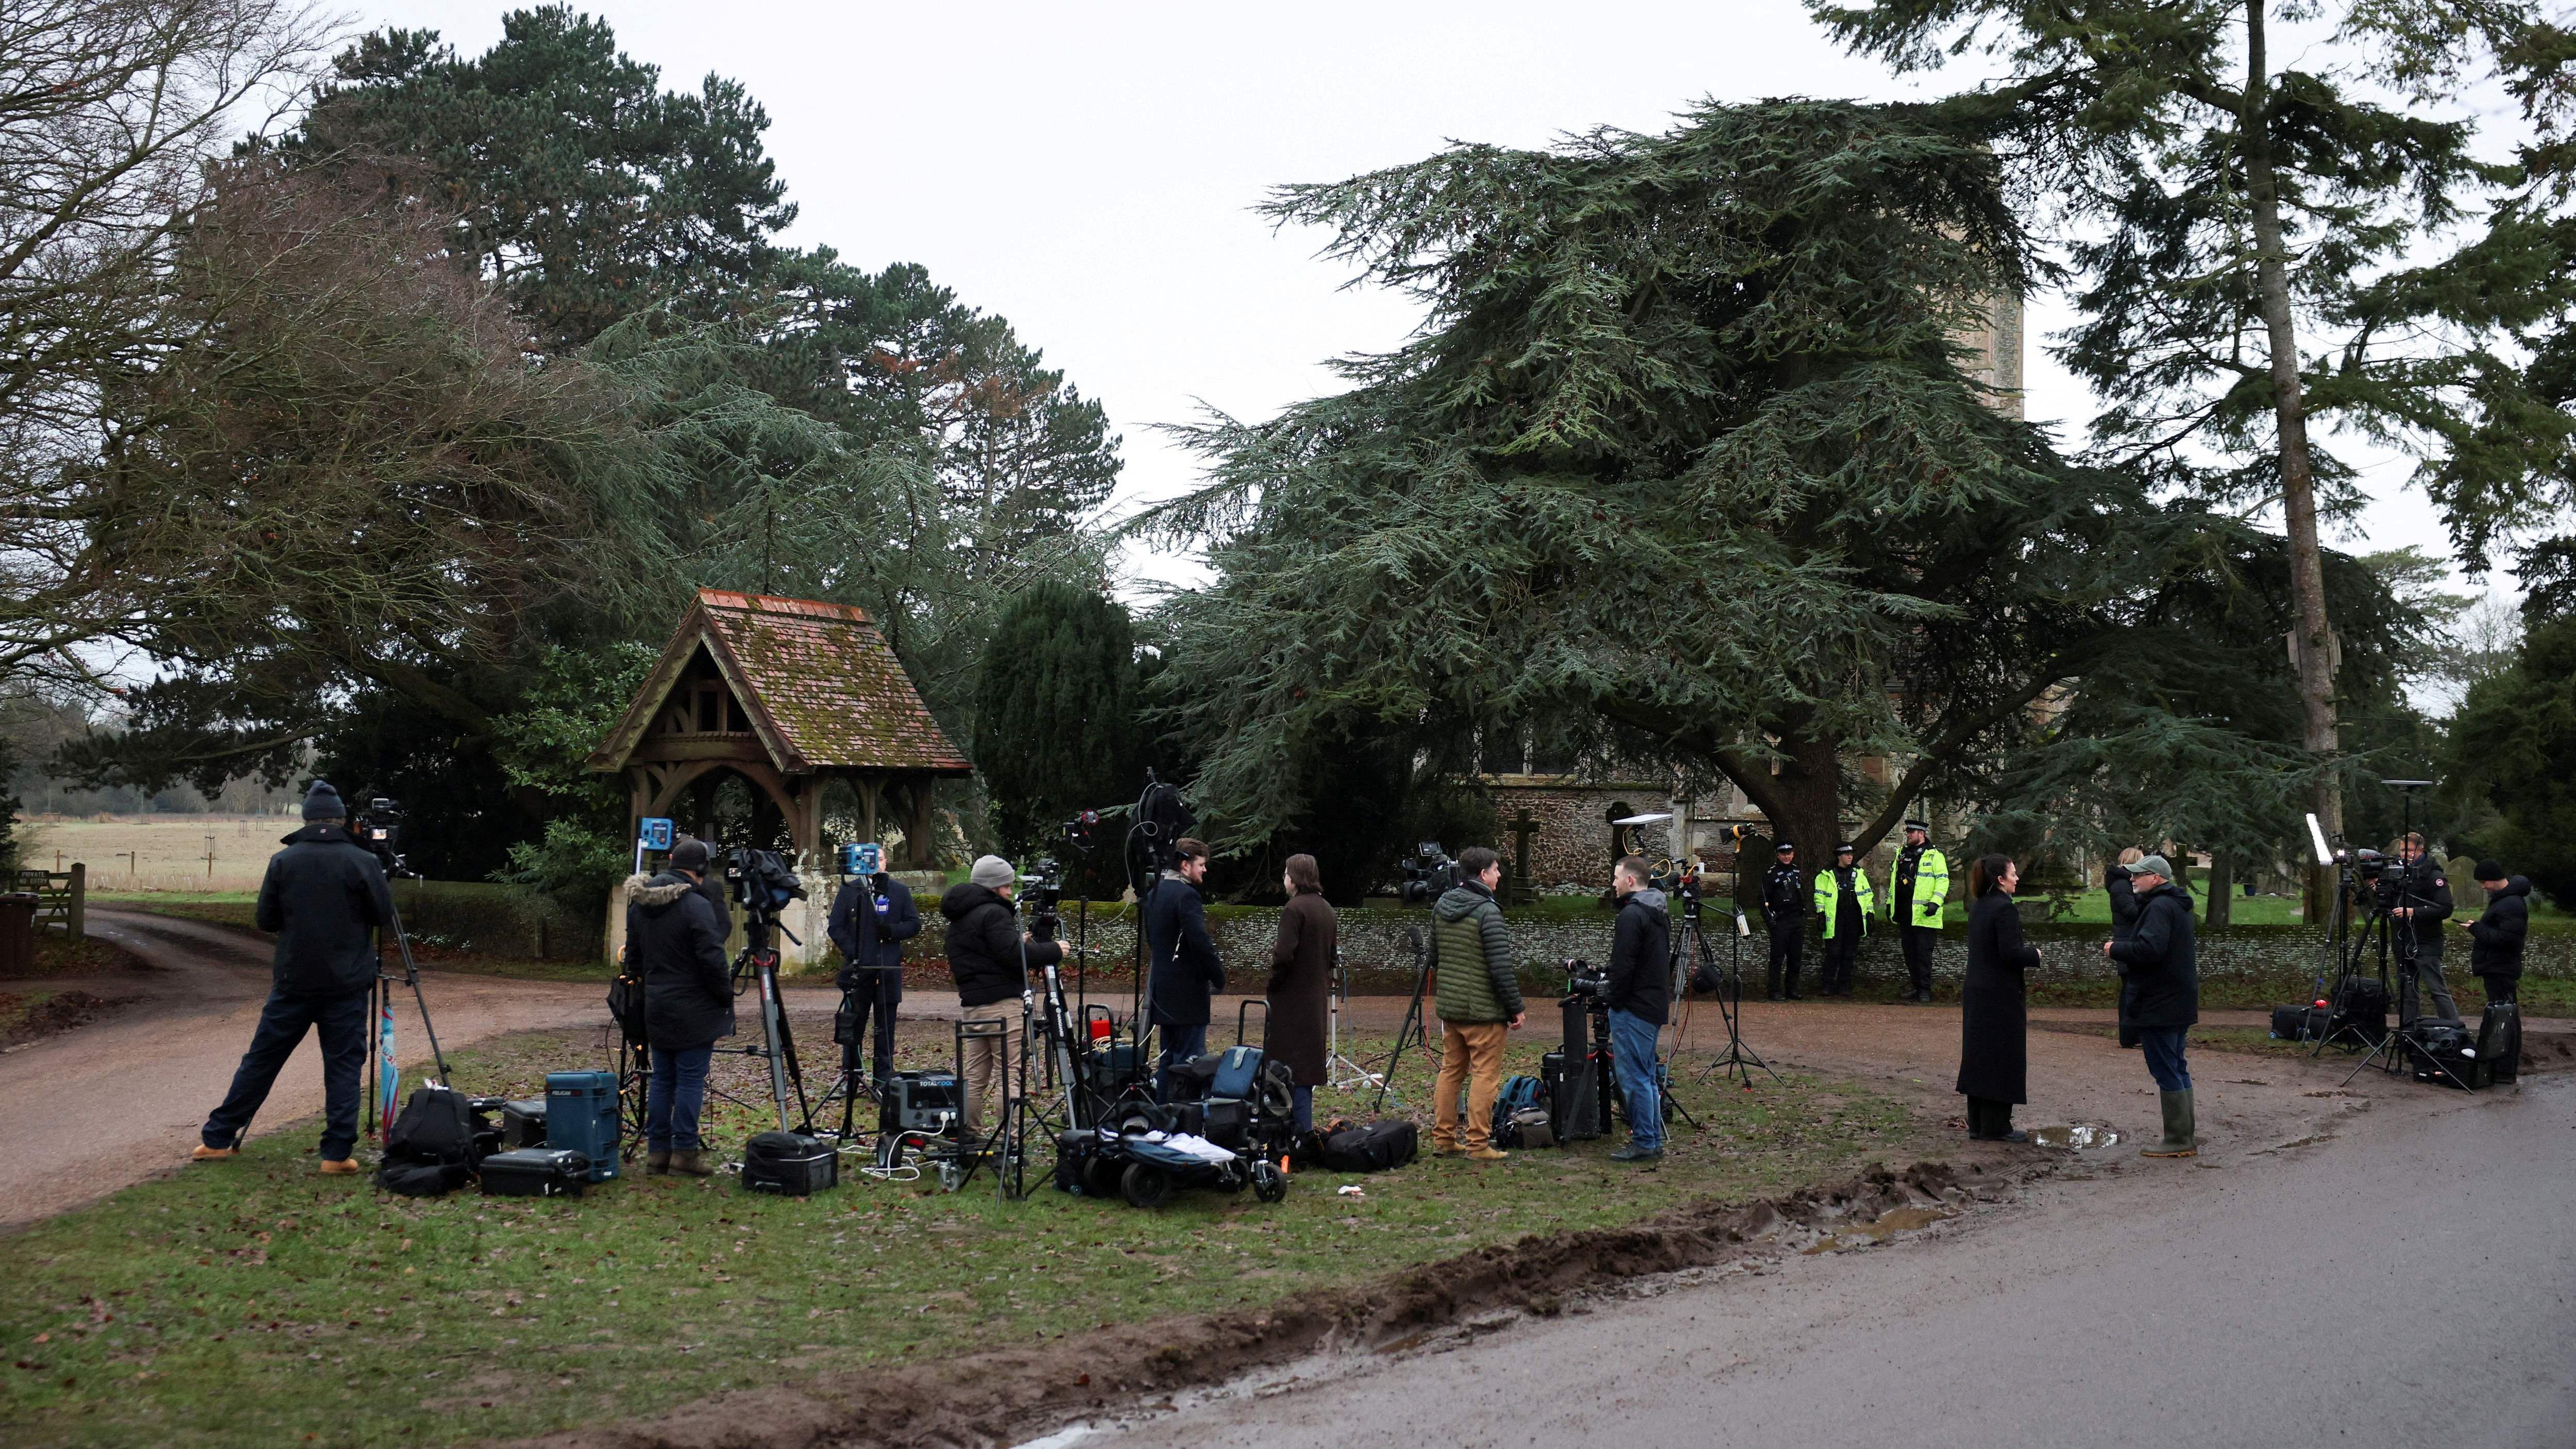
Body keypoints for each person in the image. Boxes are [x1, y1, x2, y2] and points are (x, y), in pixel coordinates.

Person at [193, 781, 395, 1173]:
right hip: (346, 983)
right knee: (342, 1065)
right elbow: (382, 915)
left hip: (293, 981)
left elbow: (266, 920)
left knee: (262, 1060)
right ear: (340, 820)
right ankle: (336, 1154)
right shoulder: (362, 861)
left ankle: (217, 1139)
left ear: (306, 819)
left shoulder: (284, 861)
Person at [626, 836, 734, 1175]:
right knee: (690, 1079)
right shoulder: (696, 905)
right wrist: (724, 995)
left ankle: (658, 1152)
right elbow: (713, 959)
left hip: (656, 1003)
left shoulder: (640, 904)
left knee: (662, 1079)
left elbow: (633, 960)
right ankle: (685, 1152)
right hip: (693, 1006)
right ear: (700, 869)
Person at [942, 854, 1064, 1134]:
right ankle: (1009, 1137)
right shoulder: (994, 912)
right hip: (1003, 1005)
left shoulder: (960, 917)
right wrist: (1055, 950)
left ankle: (970, 1134)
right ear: (993, 886)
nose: (1011, 892)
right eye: (1007, 886)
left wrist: (1014, 942)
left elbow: (986, 952)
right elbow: (1013, 957)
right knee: (1010, 1073)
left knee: (974, 1077)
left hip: (973, 1006)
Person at [1430, 846, 1526, 1161]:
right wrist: (1515, 1008)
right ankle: (1478, 1145)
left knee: (1451, 1072)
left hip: (1451, 1008)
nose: (1499, 875)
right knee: (1486, 1075)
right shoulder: (1488, 912)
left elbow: (1434, 957)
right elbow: (1500, 968)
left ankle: (1443, 1139)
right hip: (1483, 1012)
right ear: (1483, 874)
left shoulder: (1442, 905)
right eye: (1496, 870)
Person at [2103, 853, 2200, 1158]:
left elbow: (2150, 949)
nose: (2132, 879)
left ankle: (2178, 1140)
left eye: (2137, 875)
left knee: (2166, 1068)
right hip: (2177, 999)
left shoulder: (2159, 906)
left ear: (2155, 878)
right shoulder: (2175, 904)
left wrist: (2115, 949)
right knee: (2177, 1066)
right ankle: (2185, 1134)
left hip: (2160, 1001)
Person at [1957, 853, 2039, 1142]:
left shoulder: (1980, 907)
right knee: (2000, 1055)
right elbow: (2011, 953)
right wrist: (2035, 954)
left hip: (1978, 990)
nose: (2017, 878)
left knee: (1980, 1055)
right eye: (2013, 874)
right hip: (2000, 992)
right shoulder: (2004, 909)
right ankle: (1996, 1126)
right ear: (2001, 879)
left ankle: (1978, 1123)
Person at [826, 858, 920, 1088]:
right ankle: (852, 1076)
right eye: (870, 859)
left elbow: (914, 924)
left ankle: (883, 1079)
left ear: (886, 862)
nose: (876, 863)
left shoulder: (899, 891)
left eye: (879, 858)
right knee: (854, 1026)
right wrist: (854, 950)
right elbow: (835, 927)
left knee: (885, 1028)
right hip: (858, 970)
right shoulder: (850, 891)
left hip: (887, 970)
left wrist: (891, 932)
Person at [1145, 837, 1226, 1094]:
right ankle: (1184, 1121)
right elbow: (1200, 941)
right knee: (1190, 1063)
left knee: (1167, 1059)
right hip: (1188, 993)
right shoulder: (1187, 896)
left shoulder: (1154, 894)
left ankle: (1162, 1117)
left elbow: (1152, 939)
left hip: (1162, 991)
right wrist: (1218, 976)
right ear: (1184, 865)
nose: (1204, 870)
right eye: (1201, 864)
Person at [1605, 855, 1671, 1163]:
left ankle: (1645, 1140)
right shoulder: (1656, 911)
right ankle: (1652, 1138)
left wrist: (1612, 998)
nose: (1614, 883)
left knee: (1634, 1077)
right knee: (1646, 1075)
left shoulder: (1632, 916)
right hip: (1652, 1003)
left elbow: (1624, 966)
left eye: (1617, 877)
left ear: (1630, 881)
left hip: (1635, 1006)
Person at [1265, 853, 1336, 1137]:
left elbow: (1283, 955)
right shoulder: (1326, 909)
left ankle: (1291, 1132)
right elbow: (1332, 957)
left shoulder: (1294, 909)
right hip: (1315, 997)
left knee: (1287, 1068)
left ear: (1293, 878)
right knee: (1305, 1066)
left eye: (1285, 874)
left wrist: (1274, 983)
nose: (1284, 879)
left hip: (1292, 999)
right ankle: (1302, 1130)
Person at [2381, 832, 2457, 1023]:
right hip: (2402, 941)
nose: (2405, 855)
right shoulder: (2397, 874)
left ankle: (2453, 1028)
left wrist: (2413, 912)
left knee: (2437, 989)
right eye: (2402, 850)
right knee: (2406, 991)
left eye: (2410, 850)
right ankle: (2409, 1031)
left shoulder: (2434, 876)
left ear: (2421, 850)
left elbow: (2445, 908)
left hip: (2427, 942)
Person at [1890, 819, 1950, 1002]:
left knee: (1923, 955)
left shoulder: (1934, 856)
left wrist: (1935, 902)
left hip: (1925, 915)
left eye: (1911, 832)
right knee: (1910, 954)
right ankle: (1916, 988)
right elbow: (1893, 881)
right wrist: (1889, 904)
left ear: (1921, 834)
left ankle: (1925, 990)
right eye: (1907, 832)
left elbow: (1943, 880)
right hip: (1905, 913)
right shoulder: (1901, 854)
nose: (1907, 835)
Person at [2461, 861, 2529, 1007]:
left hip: (2501, 967)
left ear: (2493, 877)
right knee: (2503, 1011)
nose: (2483, 886)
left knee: (2503, 1012)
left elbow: (2508, 939)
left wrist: (2476, 929)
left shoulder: (2510, 904)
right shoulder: (2504, 901)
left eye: (2484, 881)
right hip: (2497, 966)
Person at [1812, 841, 1873, 998]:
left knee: (1849, 954)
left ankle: (1844, 986)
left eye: (1852, 854)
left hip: (1853, 919)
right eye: (1847, 854)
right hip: (1835, 920)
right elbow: (1819, 897)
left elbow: (1867, 896)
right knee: (1833, 953)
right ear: (1839, 856)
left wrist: (1870, 914)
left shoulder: (1859, 874)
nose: (1850, 857)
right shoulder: (1826, 875)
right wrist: (1820, 915)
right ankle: (1827, 985)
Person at [2107, 847, 2145, 1049]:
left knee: (2133, 988)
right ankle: (2130, 1035)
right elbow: (2131, 912)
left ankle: (2133, 1034)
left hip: (2128, 940)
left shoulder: (2122, 884)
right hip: (2128, 942)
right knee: (2131, 989)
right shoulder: (2121, 885)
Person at [1760, 839, 1807, 1001]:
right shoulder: (1771, 874)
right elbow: (1764, 900)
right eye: (1783, 854)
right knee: (1777, 958)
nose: (1787, 857)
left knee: (1795, 958)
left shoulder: (1796, 871)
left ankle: (1792, 989)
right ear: (1778, 855)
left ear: (1793, 854)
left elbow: (1801, 893)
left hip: (1796, 919)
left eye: (1789, 853)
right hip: (1780, 920)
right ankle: (1774, 990)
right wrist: (1771, 921)